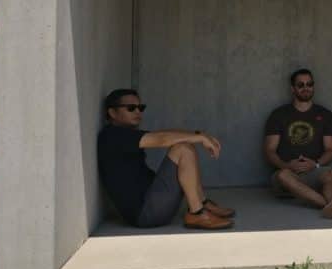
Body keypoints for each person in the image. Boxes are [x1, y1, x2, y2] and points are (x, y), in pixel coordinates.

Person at [97, 88, 235, 230]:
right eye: (131, 108)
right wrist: (200, 138)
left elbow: (164, 134)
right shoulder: (112, 137)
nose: (138, 112)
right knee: (182, 149)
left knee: (185, 146)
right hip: (145, 213)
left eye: (140, 107)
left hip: (151, 200)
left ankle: (202, 203)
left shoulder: (124, 134)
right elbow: (161, 139)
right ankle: (197, 213)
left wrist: (198, 135)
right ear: (112, 113)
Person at [263, 68, 332, 218]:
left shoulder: (325, 115)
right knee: (283, 175)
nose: (306, 88)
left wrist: (316, 164)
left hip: (313, 172)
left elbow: (330, 149)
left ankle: (330, 206)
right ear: (293, 89)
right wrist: (286, 165)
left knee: (331, 174)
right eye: (301, 85)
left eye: (309, 84)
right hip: (288, 177)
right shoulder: (278, 115)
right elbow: (269, 151)